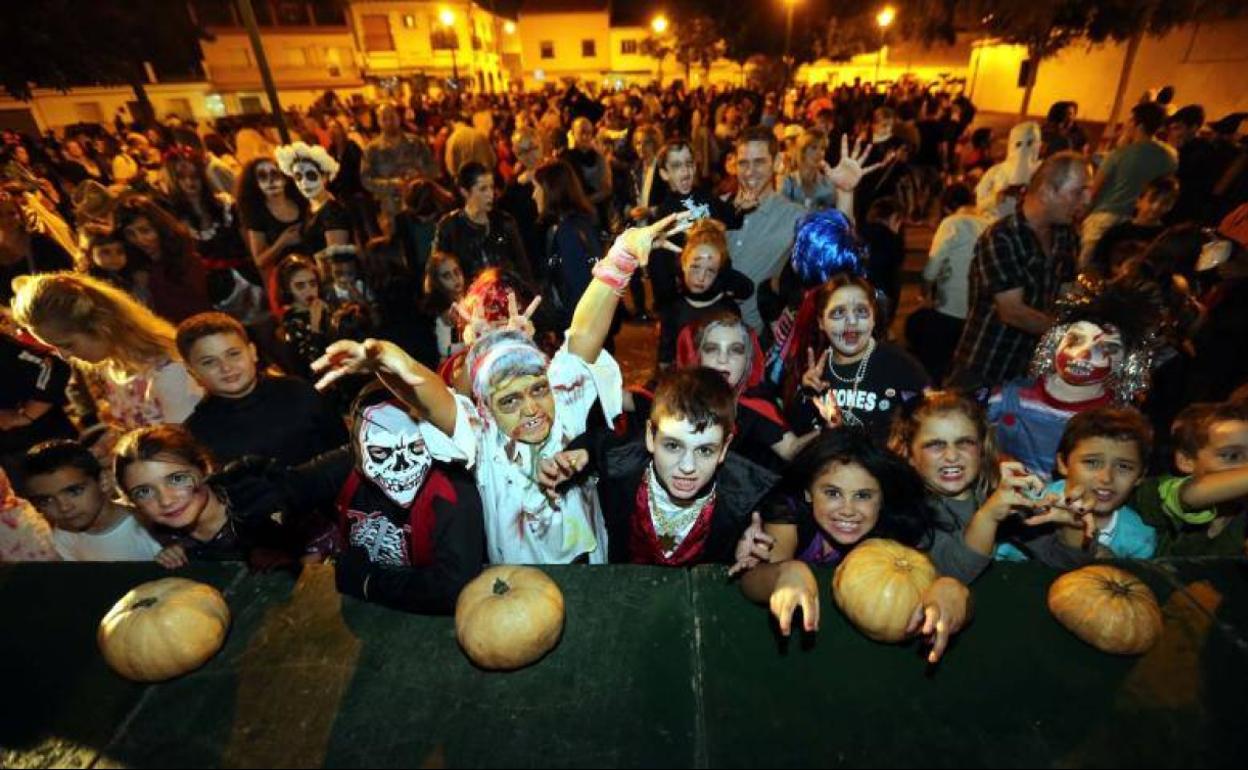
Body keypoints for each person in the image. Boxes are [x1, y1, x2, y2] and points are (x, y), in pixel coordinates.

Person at [311, 214, 692, 565]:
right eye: (509, 399)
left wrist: (623, 253)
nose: (532, 408)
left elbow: (584, 332)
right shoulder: (481, 433)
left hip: (592, 566)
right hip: (519, 586)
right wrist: (389, 361)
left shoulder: (562, 393)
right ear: (488, 407)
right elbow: (430, 397)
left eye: (537, 389)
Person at [736, 429, 971, 663]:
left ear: (882, 499)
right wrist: (786, 573)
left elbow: (926, 588)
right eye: (832, 493)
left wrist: (954, 590)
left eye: (863, 496)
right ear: (808, 492)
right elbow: (751, 581)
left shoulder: (891, 530)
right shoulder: (788, 513)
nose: (848, 510)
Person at [539, 368, 778, 566]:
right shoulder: (622, 466)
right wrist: (576, 456)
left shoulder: (742, 499)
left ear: (724, 448)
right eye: (673, 446)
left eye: (705, 450)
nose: (687, 467)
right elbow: (598, 442)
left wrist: (744, 557)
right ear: (651, 437)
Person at [989, 278, 1163, 481]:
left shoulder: (1121, 422)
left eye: (1108, 347)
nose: (1084, 354)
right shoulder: (1005, 398)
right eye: (1076, 339)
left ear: (1126, 361)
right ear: (1055, 341)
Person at [948, 152, 1090, 390]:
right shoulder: (1002, 236)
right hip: (986, 365)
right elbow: (1012, 311)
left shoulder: (1066, 235)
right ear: (1046, 192)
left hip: (1029, 369)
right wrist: (1076, 336)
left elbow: (1066, 291)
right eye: (1078, 192)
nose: (1085, 201)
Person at [10, 273, 203, 442]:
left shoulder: (170, 371)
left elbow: (187, 450)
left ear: (101, 326)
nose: (65, 356)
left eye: (67, 345)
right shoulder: (112, 366)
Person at [113, 425, 336, 569]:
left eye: (177, 479)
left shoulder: (258, 498)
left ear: (204, 468)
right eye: (144, 492)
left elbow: (326, 539)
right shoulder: (170, 536)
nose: (165, 500)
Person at [177, 312, 347, 467]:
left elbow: (347, 452)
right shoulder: (196, 434)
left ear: (252, 352)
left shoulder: (298, 392)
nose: (226, 367)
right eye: (209, 362)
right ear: (193, 372)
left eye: (233, 354)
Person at [995, 408, 1156, 560]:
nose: (1106, 478)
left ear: (1140, 476)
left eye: (1123, 466)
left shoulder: (1140, 539)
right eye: (1092, 462)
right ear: (1063, 464)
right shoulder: (1028, 509)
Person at [787, 274, 930, 443]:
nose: (852, 322)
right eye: (838, 312)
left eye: (861, 311)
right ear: (821, 322)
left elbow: (930, 425)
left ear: (873, 318)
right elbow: (797, 440)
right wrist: (806, 395)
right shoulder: (811, 370)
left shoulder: (901, 366)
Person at [1130, 400, 1248, 556]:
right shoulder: (1153, 493)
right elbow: (1195, 493)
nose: (1244, 467)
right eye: (1232, 456)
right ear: (1186, 461)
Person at [21, 440, 161, 562]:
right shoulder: (63, 536)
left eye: (74, 491)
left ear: (103, 481)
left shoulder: (150, 525)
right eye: (47, 500)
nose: (64, 507)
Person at [1080, 102, 1178, 269]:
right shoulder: (1170, 156)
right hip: (1143, 223)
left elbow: (1094, 189)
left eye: (1130, 120)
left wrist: (1081, 215)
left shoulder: (1120, 154)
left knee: (1087, 267)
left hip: (1106, 217)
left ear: (1137, 124)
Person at [910, 184, 990, 383]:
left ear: (947, 206)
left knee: (934, 362)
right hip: (979, 309)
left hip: (949, 306)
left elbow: (933, 264)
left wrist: (924, 293)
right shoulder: (991, 223)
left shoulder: (953, 223)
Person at [656, 219, 753, 368]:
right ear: (683, 263)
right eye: (695, 267)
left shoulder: (727, 309)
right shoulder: (672, 309)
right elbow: (665, 361)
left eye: (710, 271)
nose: (701, 278)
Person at [0, 330, 77, 483]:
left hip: (46, 444)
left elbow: (53, 367)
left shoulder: (3, 348)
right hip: (9, 458)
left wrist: (26, 415)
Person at [433, 161, 529, 282]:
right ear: (465, 192)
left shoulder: (505, 222)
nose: (490, 194)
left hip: (508, 295)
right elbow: (438, 271)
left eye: (492, 187)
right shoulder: (449, 227)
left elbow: (523, 268)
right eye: (483, 189)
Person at [533, 158, 601, 329]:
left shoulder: (566, 232)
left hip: (579, 331)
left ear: (551, 190)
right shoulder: (581, 222)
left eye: (537, 188)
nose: (534, 195)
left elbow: (577, 287)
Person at [362, 104, 438, 231]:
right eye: (384, 118)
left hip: (419, 209)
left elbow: (433, 168)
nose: (389, 122)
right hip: (391, 211)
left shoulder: (415, 143)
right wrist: (392, 184)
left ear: (399, 118)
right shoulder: (372, 150)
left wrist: (419, 177)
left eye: (392, 117)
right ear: (379, 121)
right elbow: (366, 180)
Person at [275, 141, 351, 264]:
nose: (304, 183)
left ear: (325, 177)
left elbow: (336, 261)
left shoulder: (332, 212)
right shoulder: (312, 206)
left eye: (310, 176)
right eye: (298, 177)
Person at [1087, 176, 1178, 280]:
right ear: (1139, 201)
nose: (1156, 207)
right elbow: (1097, 264)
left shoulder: (1167, 238)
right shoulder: (1116, 232)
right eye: (1152, 200)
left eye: (1165, 203)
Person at [0, 184, 76, 306]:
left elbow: (69, 271)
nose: (6, 219)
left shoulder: (40, 242)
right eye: (0, 215)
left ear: (20, 214)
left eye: (11, 213)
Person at [237, 155, 308, 275]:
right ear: (256, 184)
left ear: (285, 178)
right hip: (288, 276)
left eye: (275, 174)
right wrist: (282, 242)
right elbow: (259, 261)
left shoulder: (302, 201)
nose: (270, 181)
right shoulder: (258, 215)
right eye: (263, 177)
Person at [975, 122, 1042, 221]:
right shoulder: (995, 171)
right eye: (1018, 144)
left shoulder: (1043, 171)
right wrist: (998, 197)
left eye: (1030, 143)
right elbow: (980, 204)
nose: (1023, 150)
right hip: (994, 223)